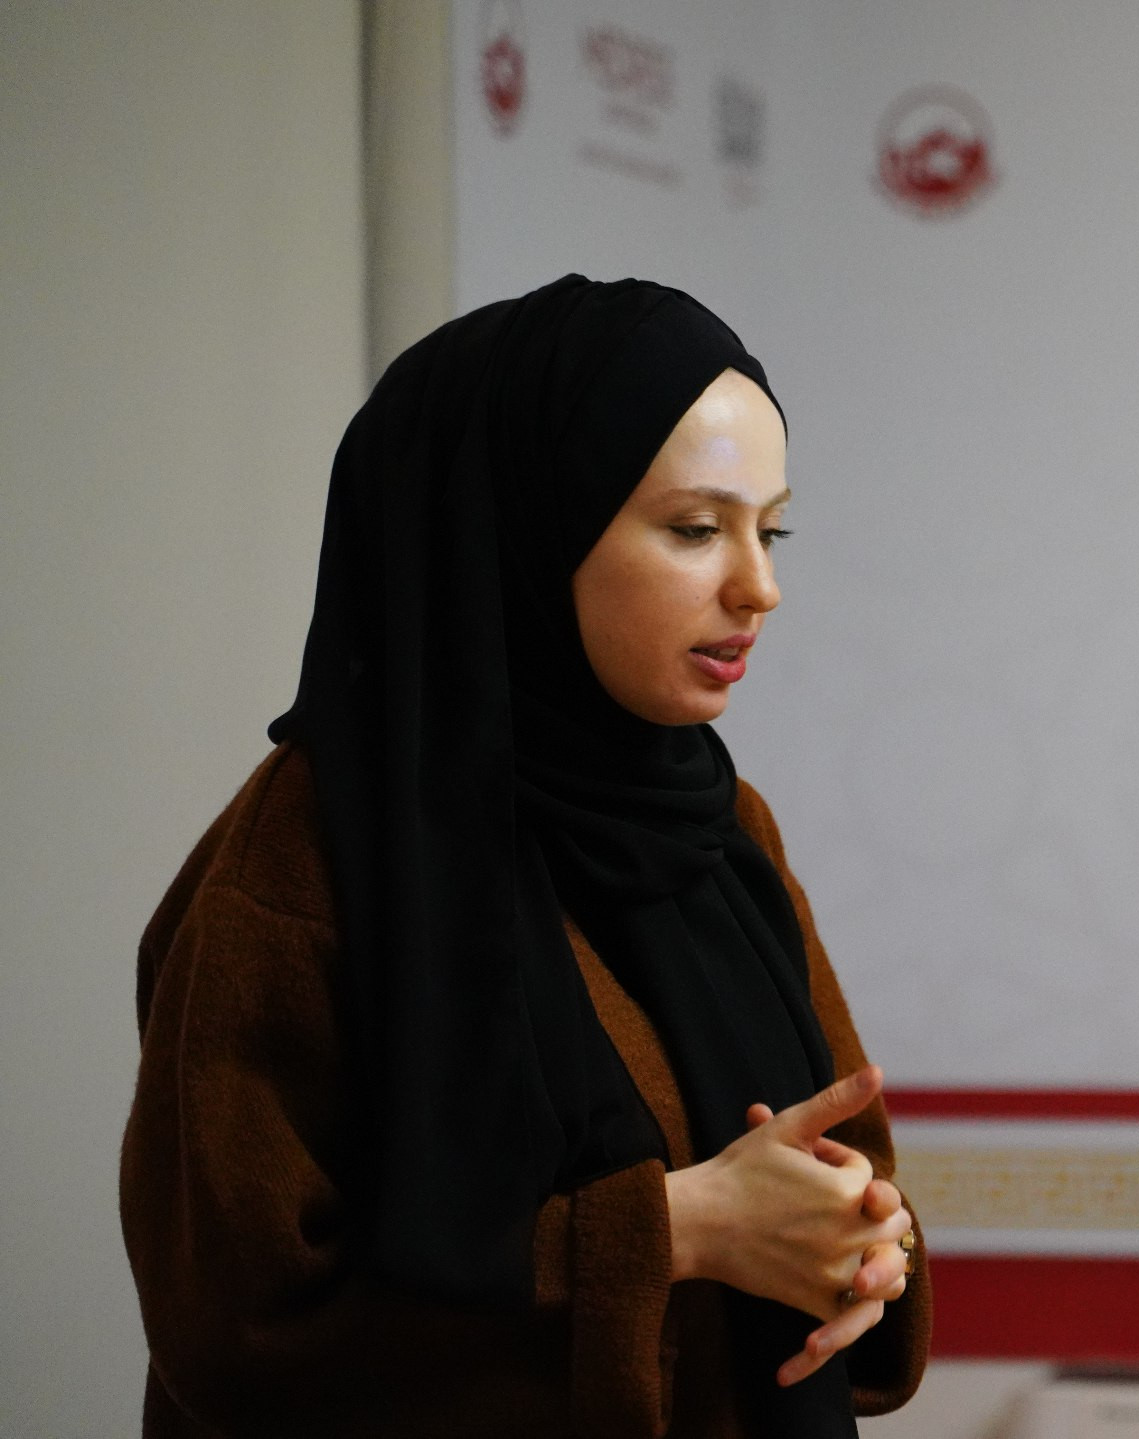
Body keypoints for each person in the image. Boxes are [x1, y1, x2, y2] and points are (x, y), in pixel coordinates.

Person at [120, 275, 928, 1436]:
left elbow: (834, 1178)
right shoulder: (309, 857)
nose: (760, 585)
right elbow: (239, 1328)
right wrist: (677, 1229)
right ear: (521, 529)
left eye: (771, 527)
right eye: (696, 528)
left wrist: (864, 1243)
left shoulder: (717, 822)